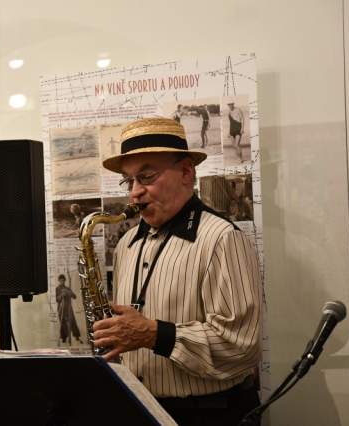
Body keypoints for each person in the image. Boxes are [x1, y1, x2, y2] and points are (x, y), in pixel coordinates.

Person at [95, 117, 262, 426]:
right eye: (128, 181)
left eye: (146, 177)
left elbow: (242, 346)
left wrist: (154, 334)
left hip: (208, 414)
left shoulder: (222, 238)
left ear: (187, 172)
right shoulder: (127, 244)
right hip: (139, 407)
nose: (134, 193)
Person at [55, 274, 83, 345]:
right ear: (59, 281)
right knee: (62, 323)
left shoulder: (67, 288)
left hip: (68, 308)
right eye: (61, 280)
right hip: (61, 308)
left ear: (65, 280)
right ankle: (64, 338)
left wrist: (70, 293)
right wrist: (61, 295)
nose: (62, 281)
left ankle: (77, 336)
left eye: (63, 280)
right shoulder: (57, 289)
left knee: (73, 322)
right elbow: (57, 299)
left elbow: (74, 296)